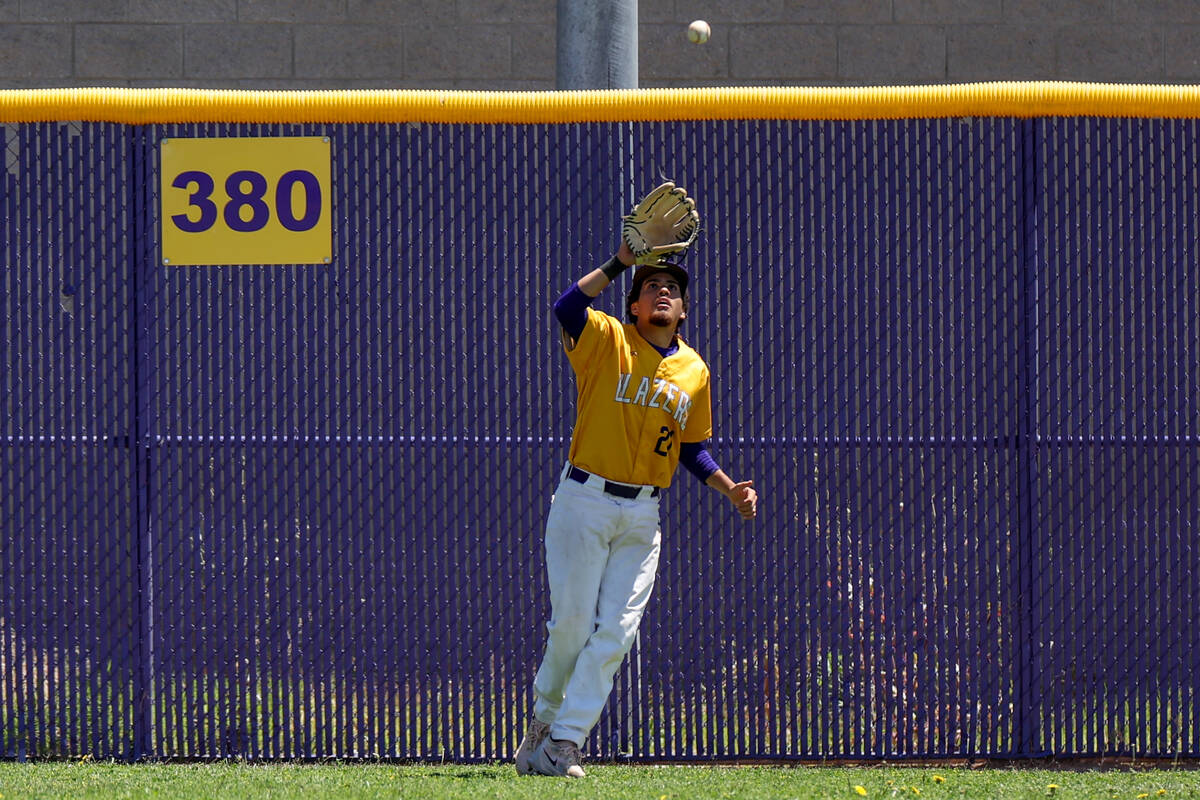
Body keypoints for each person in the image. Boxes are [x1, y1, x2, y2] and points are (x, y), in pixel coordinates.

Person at [516, 184, 758, 778]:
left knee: (618, 631)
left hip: (643, 514)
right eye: (652, 286)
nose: (664, 292)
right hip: (584, 499)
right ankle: (544, 723)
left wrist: (727, 487)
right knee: (570, 627)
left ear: (685, 310)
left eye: (673, 289)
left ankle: (565, 740)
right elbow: (565, 308)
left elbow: (691, 448)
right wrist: (621, 261)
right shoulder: (606, 341)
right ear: (634, 304)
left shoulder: (694, 370)